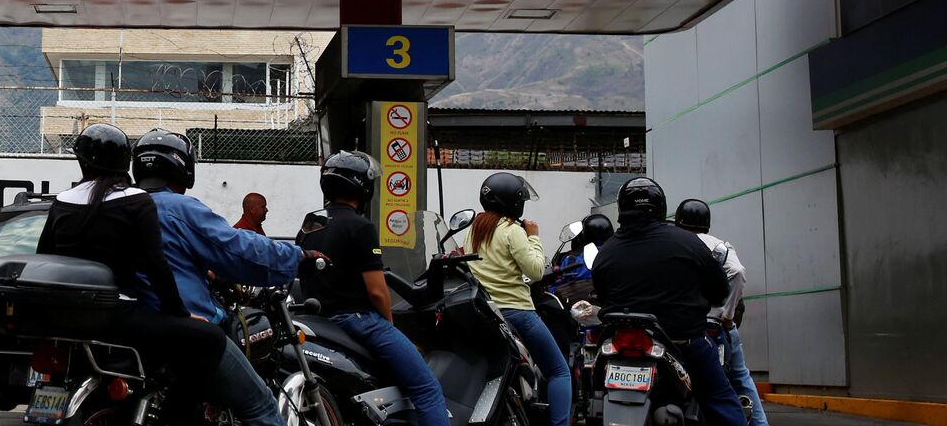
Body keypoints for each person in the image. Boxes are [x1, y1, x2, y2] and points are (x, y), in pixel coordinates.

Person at [36, 124, 227, 404]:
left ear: (82, 161)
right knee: (211, 338)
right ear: (125, 162)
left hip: (68, 317)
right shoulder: (136, 201)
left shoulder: (63, 201)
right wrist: (180, 314)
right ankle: (178, 416)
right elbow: (156, 267)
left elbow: (44, 257)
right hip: (116, 313)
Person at [132, 129, 301, 426]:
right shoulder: (180, 208)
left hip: (130, 326)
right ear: (183, 169)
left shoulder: (118, 203)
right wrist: (298, 257)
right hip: (184, 330)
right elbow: (238, 251)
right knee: (262, 407)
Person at [296, 151, 451, 426]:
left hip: (319, 320)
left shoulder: (310, 226)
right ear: (363, 186)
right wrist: (390, 327)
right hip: (359, 321)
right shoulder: (361, 226)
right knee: (428, 390)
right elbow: (378, 291)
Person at [590, 178, 744, 426]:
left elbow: (602, 293)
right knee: (720, 397)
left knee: (588, 389)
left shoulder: (606, 251)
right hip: (682, 340)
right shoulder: (688, 242)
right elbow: (719, 290)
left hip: (618, 343)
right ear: (660, 206)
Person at [464, 172, 571, 426]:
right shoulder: (512, 230)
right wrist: (533, 235)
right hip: (518, 313)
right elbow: (534, 270)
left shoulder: (474, 230)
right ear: (513, 202)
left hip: (487, 314)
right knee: (559, 371)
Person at [675, 199, 768, 426]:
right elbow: (737, 272)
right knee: (740, 376)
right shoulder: (719, 246)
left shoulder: (675, 245)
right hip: (717, 326)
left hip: (685, 326)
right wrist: (726, 315)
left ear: (678, 221)